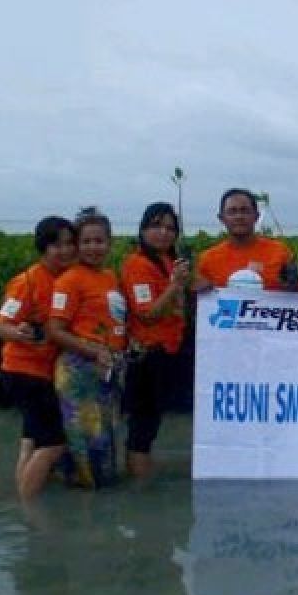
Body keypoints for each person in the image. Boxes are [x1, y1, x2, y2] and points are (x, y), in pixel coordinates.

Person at [0, 216, 78, 498]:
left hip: (44, 372)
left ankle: (24, 496)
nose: (65, 251)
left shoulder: (68, 278)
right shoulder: (27, 282)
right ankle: (30, 511)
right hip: (23, 372)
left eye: (69, 244)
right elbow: (0, 325)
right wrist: (18, 332)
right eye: (57, 245)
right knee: (54, 444)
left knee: (30, 440)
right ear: (43, 247)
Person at [46, 208, 128, 489]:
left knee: (106, 440)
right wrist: (93, 352)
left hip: (107, 369)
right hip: (80, 372)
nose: (94, 247)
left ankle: (99, 517)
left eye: (100, 241)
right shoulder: (68, 280)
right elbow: (54, 330)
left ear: (110, 242)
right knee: (86, 443)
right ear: (77, 245)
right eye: (86, 242)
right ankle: (84, 516)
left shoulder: (110, 276)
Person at [120, 202, 189, 478]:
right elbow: (147, 315)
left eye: (170, 228)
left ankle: (144, 478)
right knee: (143, 426)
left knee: (156, 422)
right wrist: (176, 286)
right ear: (143, 229)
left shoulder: (171, 262)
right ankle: (139, 489)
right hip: (147, 355)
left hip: (170, 351)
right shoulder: (137, 264)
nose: (164, 233)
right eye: (156, 226)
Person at [195, 188, 297, 291]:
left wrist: (294, 286)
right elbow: (195, 299)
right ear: (221, 218)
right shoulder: (208, 260)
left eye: (245, 211)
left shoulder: (279, 252)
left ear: (256, 216)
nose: (239, 216)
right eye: (232, 211)